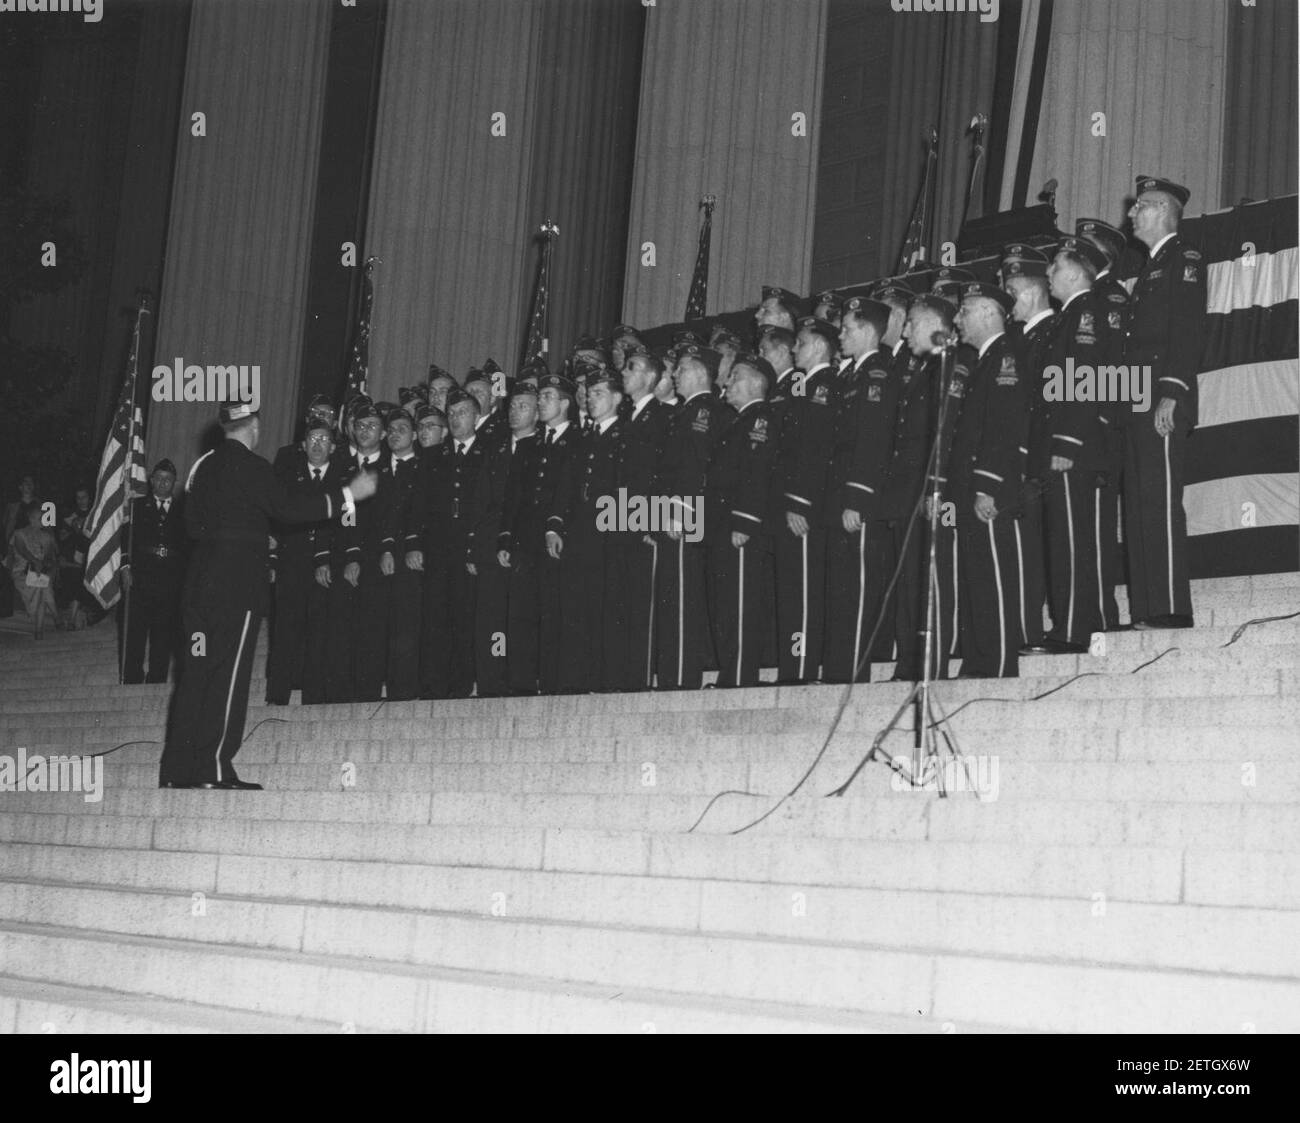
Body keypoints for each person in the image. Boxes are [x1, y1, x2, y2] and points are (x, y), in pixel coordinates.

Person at [158, 401, 377, 789]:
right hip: (236, 588)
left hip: (197, 589)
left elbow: (191, 525)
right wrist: (347, 495)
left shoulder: (202, 468)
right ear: (254, 427)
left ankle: (177, 769)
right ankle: (213, 767)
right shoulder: (254, 467)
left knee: (196, 673)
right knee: (228, 676)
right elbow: (291, 508)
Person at [1123, 175, 1206, 629]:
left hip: (1162, 397)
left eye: (1140, 206)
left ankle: (1171, 607)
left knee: (1159, 500)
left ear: (1164, 210)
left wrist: (1172, 393)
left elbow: (1187, 329)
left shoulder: (1183, 258)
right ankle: (1147, 608)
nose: (1132, 213)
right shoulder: (1149, 268)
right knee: (1138, 503)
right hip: (1138, 397)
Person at [949, 282, 1030, 679]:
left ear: (987, 313)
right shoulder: (984, 359)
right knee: (975, 578)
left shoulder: (1005, 357)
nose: (957, 319)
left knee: (995, 577)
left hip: (991, 489)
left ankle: (998, 662)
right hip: (971, 489)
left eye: (964, 311)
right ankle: (979, 658)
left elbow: (1004, 426)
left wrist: (988, 484)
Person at [823, 297, 897, 684]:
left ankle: (853, 670)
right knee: (841, 589)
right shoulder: (852, 376)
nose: (840, 335)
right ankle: (839, 669)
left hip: (859, 501)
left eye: (847, 329)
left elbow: (873, 441)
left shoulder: (877, 376)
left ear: (868, 332)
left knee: (859, 589)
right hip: (840, 498)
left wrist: (857, 497)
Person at [654, 343, 733, 689]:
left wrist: (681, 510)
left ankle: (683, 676)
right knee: (674, 595)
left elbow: (695, 464)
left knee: (683, 596)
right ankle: (673, 673)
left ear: (701, 372)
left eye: (681, 369)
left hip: (688, 514)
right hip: (675, 513)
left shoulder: (703, 410)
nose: (674, 374)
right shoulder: (687, 411)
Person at [703, 355, 776, 687]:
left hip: (740, 527)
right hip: (722, 525)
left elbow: (756, 473)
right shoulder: (736, 421)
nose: (727, 383)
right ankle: (730, 672)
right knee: (725, 602)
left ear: (756, 383)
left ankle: (741, 674)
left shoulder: (760, 419)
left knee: (741, 602)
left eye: (736, 376)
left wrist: (745, 522)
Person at [266, 416, 343, 705]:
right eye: (313, 439)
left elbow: (345, 522)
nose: (318, 444)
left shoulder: (342, 481)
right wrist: (272, 560)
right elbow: (277, 521)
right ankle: (277, 696)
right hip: (292, 564)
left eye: (324, 439)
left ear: (333, 447)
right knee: (285, 631)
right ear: (303, 445)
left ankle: (313, 698)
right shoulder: (288, 479)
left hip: (326, 568)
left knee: (319, 633)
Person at [121, 460, 188, 683]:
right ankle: (131, 677)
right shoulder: (136, 507)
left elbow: (188, 546)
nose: (162, 483)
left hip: (171, 577)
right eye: (158, 478)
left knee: (164, 632)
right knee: (136, 631)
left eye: (167, 480)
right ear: (151, 480)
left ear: (174, 483)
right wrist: (125, 565)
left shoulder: (183, 510)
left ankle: (157, 678)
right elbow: (124, 538)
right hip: (141, 575)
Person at [8, 510, 59, 639]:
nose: (43, 521)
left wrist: (51, 534)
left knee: (42, 586)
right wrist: (35, 562)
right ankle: (56, 616)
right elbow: (22, 550)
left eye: (45, 518)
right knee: (42, 587)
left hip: (40, 573)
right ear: (30, 518)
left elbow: (51, 557)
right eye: (40, 518)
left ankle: (39, 631)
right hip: (21, 572)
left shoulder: (47, 536)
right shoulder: (19, 533)